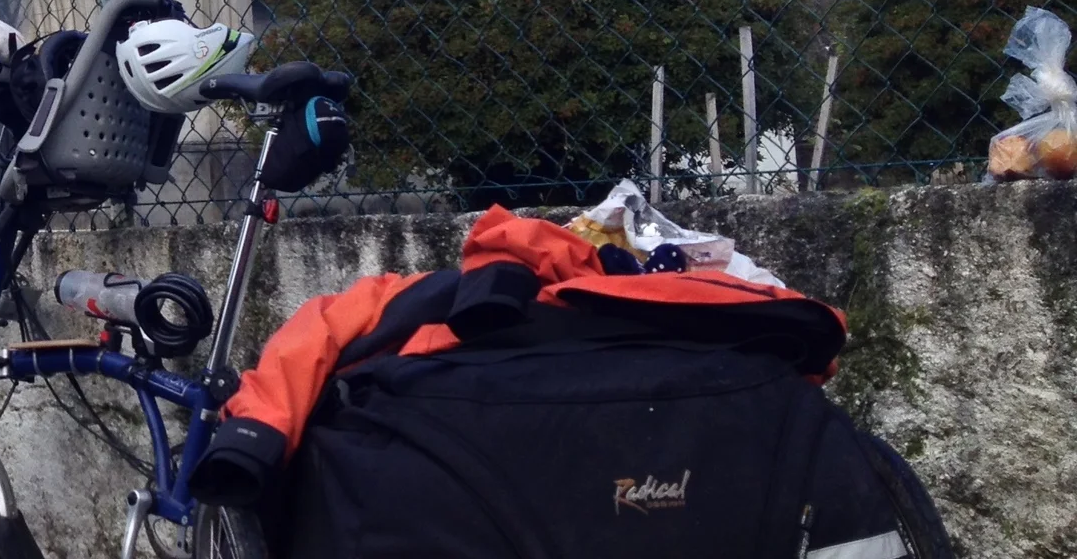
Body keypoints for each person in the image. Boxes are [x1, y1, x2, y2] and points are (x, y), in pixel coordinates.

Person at [190, 205, 845, 507]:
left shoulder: (442, 295)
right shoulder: (697, 295)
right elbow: (809, 340)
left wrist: (253, 439)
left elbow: (321, 332)